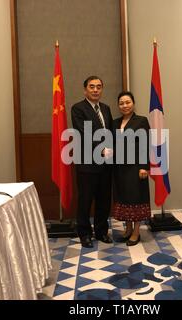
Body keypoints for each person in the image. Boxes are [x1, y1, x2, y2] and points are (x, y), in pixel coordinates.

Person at [71, 76, 113, 248]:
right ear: (85, 90)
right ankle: (85, 233)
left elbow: (109, 132)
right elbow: (84, 133)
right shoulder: (78, 109)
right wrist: (101, 149)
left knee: (104, 199)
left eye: (99, 87)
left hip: (106, 163)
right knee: (85, 200)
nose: (96, 90)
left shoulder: (106, 108)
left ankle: (102, 231)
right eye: (92, 87)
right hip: (87, 163)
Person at [112, 91, 151, 246]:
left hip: (136, 168)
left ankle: (136, 232)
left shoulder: (141, 121)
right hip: (119, 168)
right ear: (118, 105)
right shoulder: (115, 123)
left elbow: (145, 145)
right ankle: (127, 229)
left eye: (127, 102)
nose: (124, 105)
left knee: (136, 198)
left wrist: (144, 167)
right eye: (121, 103)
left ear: (133, 103)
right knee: (124, 198)